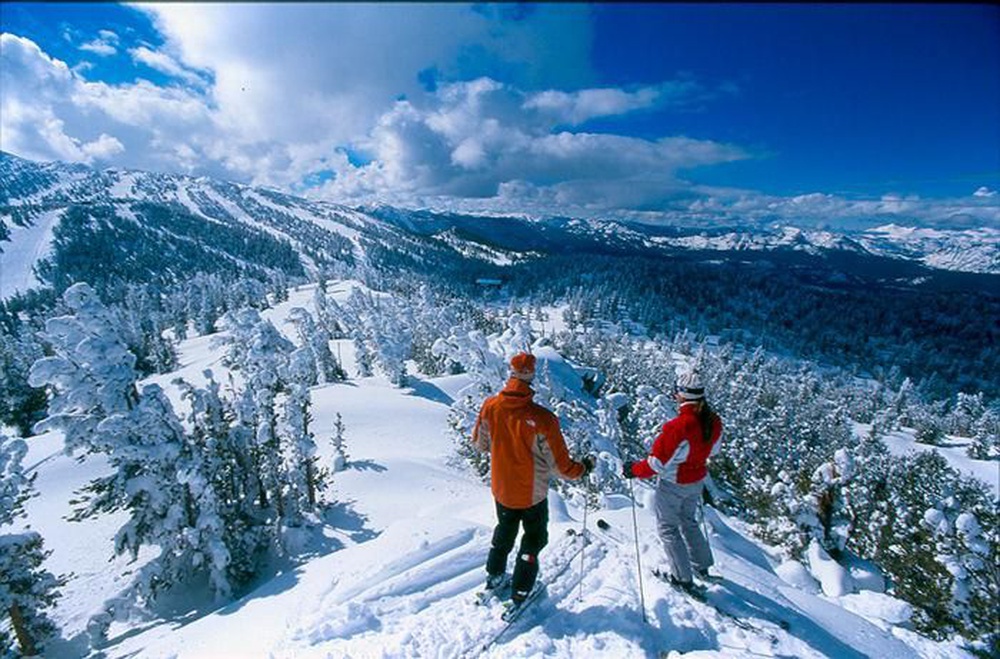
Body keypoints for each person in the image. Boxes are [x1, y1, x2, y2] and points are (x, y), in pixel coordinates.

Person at [472, 352, 594, 606]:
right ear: (532, 375)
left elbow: (479, 444)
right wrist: (583, 468)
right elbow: (562, 467)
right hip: (532, 493)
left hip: (502, 488)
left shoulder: (490, 406)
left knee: (504, 530)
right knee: (534, 538)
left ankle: (494, 576)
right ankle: (521, 592)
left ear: (511, 372)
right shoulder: (543, 418)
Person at [622, 370, 723, 593]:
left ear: (682, 394)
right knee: (689, 521)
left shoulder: (677, 427)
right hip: (696, 481)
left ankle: (682, 577)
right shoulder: (713, 422)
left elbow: (655, 464)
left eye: (676, 391)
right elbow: (714, 451)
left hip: (673, 483)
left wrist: (632, 470)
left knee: (668, 528)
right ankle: (702, 565)